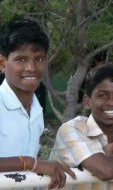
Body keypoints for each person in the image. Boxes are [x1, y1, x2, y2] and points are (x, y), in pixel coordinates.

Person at [0, 18, 76, 189]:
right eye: (21, 59)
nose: (32, 67)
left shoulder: (35, 109)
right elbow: (29, 163)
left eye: (39, 59)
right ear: (3, 63)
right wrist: (30, 163)